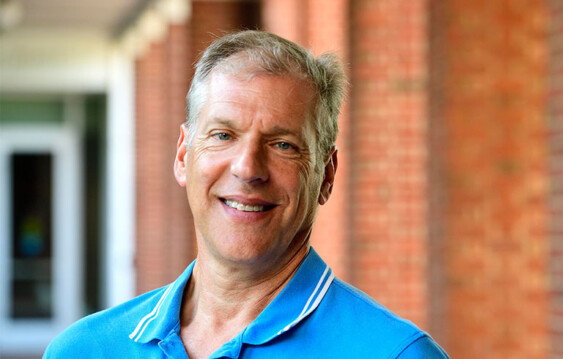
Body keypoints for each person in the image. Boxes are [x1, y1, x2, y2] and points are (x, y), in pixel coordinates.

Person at [44, 30, 449, 359]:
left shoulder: (395, 355)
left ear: (326, 175)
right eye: (223, 135)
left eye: (283, 145)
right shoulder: (82, 350)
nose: (248, 168)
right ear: (184, 156)